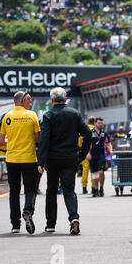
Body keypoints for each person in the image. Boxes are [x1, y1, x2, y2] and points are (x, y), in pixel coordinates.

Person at [37, 87, 92, 234]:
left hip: (53, 159)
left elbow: (44, 139)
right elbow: (87, 134)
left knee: (51, 190)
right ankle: (74, 218)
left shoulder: (48, 115)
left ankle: (50, 224)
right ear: (66, 99)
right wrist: (82, 155)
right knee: (69, 190)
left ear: (52, 100)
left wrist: (41, 161)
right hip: (70, 158)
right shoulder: (74, 114)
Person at [0, 91, 40, 234]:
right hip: (28, 158)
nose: (29, 102)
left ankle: (15, 225)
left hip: (12, 159)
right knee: (30, 189)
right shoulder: (32, 115)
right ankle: (28, 210)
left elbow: (0, 141)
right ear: (22, 100)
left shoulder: (6, 116)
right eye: (28, 100)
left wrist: (11, 141)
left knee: (14, 192)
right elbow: (38, 138)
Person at [87, 117, 113, 197]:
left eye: (102, 123)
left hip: (101, 154)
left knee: (101, 171)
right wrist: (87, 153)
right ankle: (95, 190)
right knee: (94, 173)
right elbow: (86, 144)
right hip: (92, 154)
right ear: (95, 123)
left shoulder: (104, 133)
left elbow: (108, 143)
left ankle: (101, 188)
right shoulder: (90, 133)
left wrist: (111, 150)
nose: (101, 124)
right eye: (99, 123)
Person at [79, 116, 95, 194]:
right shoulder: (95, 130)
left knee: (85, 170)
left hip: (84, 152)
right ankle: (93, 187)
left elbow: (79, 142)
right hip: (93, 152)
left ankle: (84, 187)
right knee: (93, 170)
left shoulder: (83, 129)